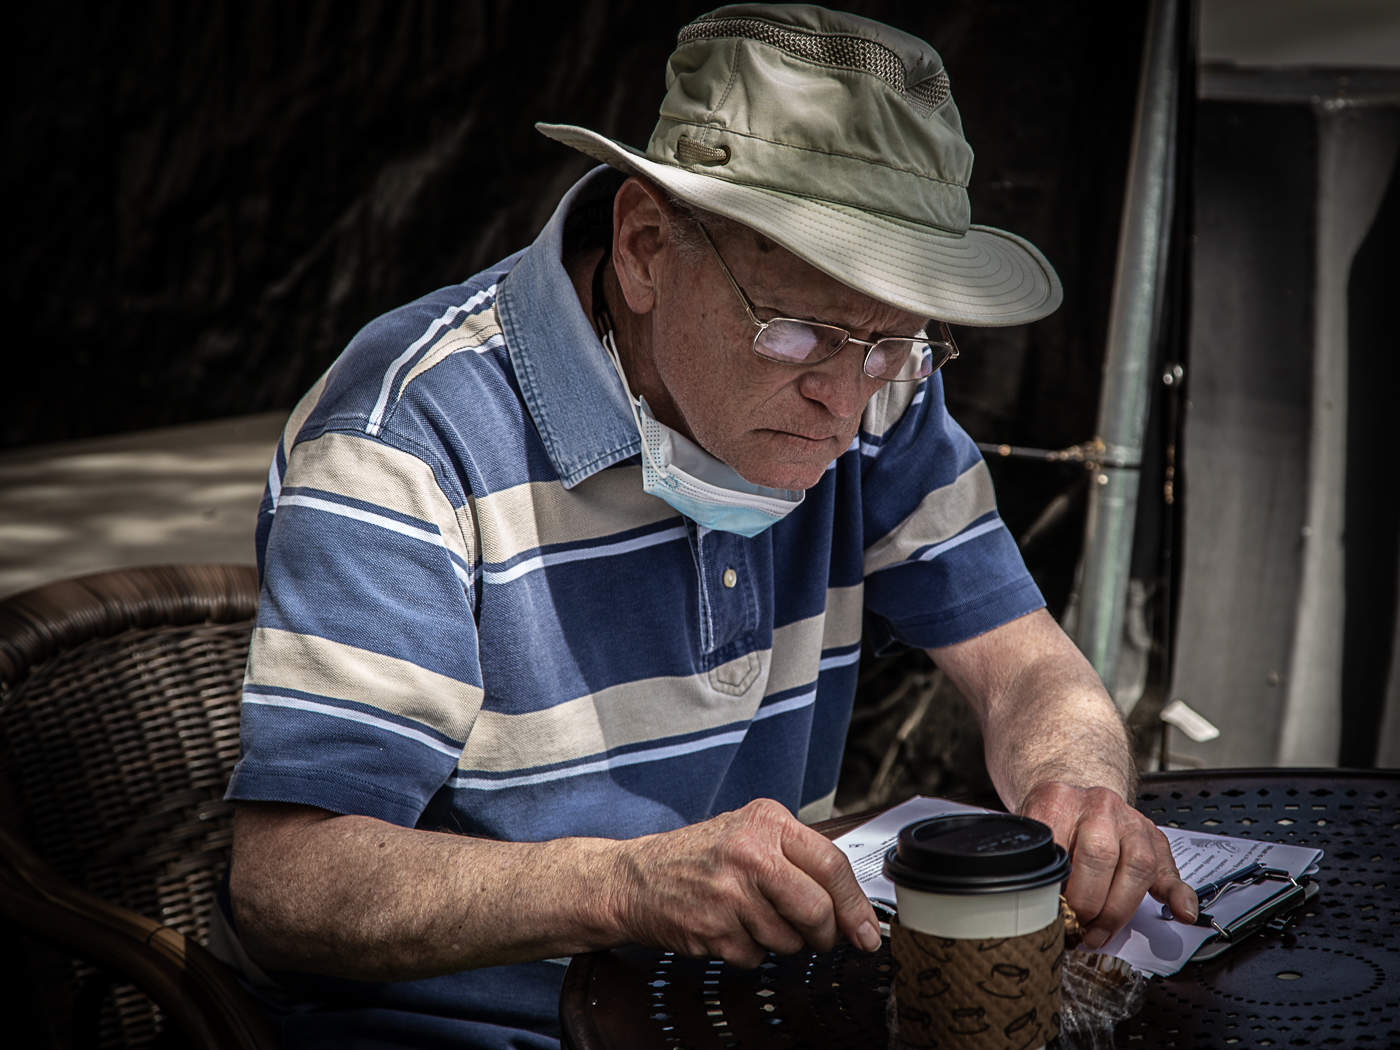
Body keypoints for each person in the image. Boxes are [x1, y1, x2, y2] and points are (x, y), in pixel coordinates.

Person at [220, 5, 1197, 1047]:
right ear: (644, 248)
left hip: (738, 1009)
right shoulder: (409, 435)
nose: (841, 395)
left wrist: (1079, 792)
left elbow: (1024, 666)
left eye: (893, 340)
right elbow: (293, 886)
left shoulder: (876, 388)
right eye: (794, 330)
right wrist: (625, 883)